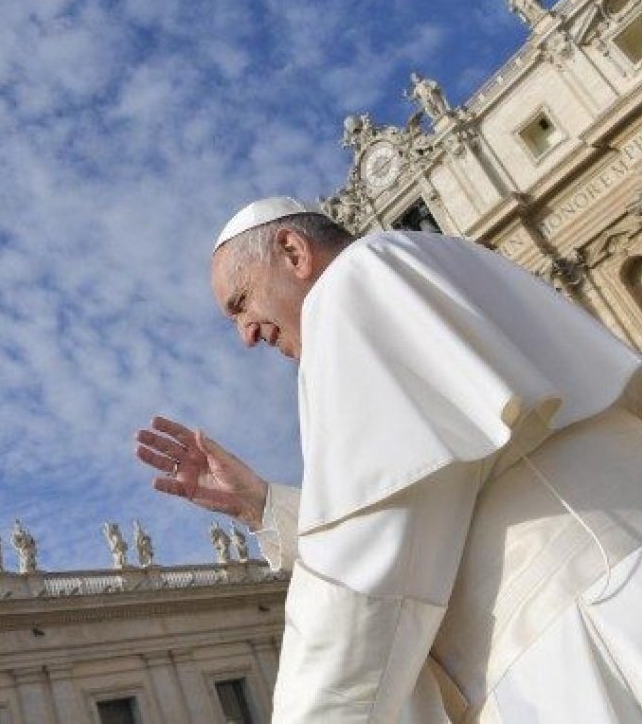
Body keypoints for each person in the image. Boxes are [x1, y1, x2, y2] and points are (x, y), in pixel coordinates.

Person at [135, 196, 642, 722]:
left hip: (579, 633)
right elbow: (437, 489)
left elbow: (367, 566)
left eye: (240, 303)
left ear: (292, 251)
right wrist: (262, 505)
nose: (246, 335)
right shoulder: (423, 261)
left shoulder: (350, 285)